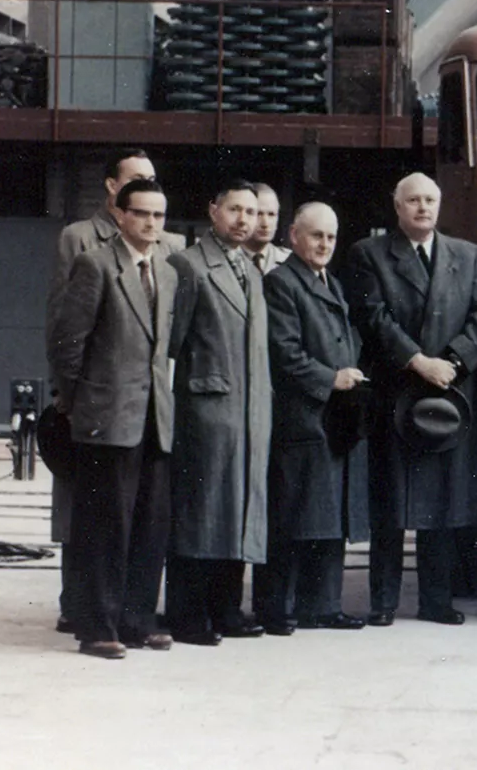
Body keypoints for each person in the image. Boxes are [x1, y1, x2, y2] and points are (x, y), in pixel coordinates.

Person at [339, 173, 477, 627]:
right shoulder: (370, 254)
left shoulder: (468, 255)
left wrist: (452, 365)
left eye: (430, 199)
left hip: (450, 395)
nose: (423, 207)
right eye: (413, 200)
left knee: (442, 503)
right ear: (397, 206)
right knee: (391, 504)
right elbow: (374, 317)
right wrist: (418, 362)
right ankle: (383, 600)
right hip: (397, 393)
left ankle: (436, 600)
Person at [45, 147, 181, 634]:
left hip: (153, 417)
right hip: (106, 417)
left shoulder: (167, 269)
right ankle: (98, 626)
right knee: (106, 527)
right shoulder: (96, 264)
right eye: (141, 213)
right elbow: (67, 345)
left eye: (158, 215)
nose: (150, 223)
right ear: (119, 214)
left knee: (149, 525)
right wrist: (82, 406)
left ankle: (137, 620)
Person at [165, 179, 274, 646]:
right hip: (206, 408)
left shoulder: (250, 268)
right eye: (234, 210)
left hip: (248, 409)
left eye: (251, 212)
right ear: (213, 211)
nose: (244, 220)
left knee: (239, 510)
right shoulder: (188, 266)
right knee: (201, 512)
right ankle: (188, 615)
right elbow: (171, 346)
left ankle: (227, 608)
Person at [258, 203, 368, 634]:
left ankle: (322, 606)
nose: (324, 244)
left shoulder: (331, 283)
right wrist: (332, 378)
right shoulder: (282, 283)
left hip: (332, 418)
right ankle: (277, 609)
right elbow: (284, 352)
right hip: (301, 418)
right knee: (293, 518)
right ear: (294, 236)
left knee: (328, 518)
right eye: (316, 235)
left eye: (331, 237)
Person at [245, 183, 291, 276]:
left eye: (271, 214)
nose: (265, 223)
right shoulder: (227, 259)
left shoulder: (291, 261)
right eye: (258, 214)